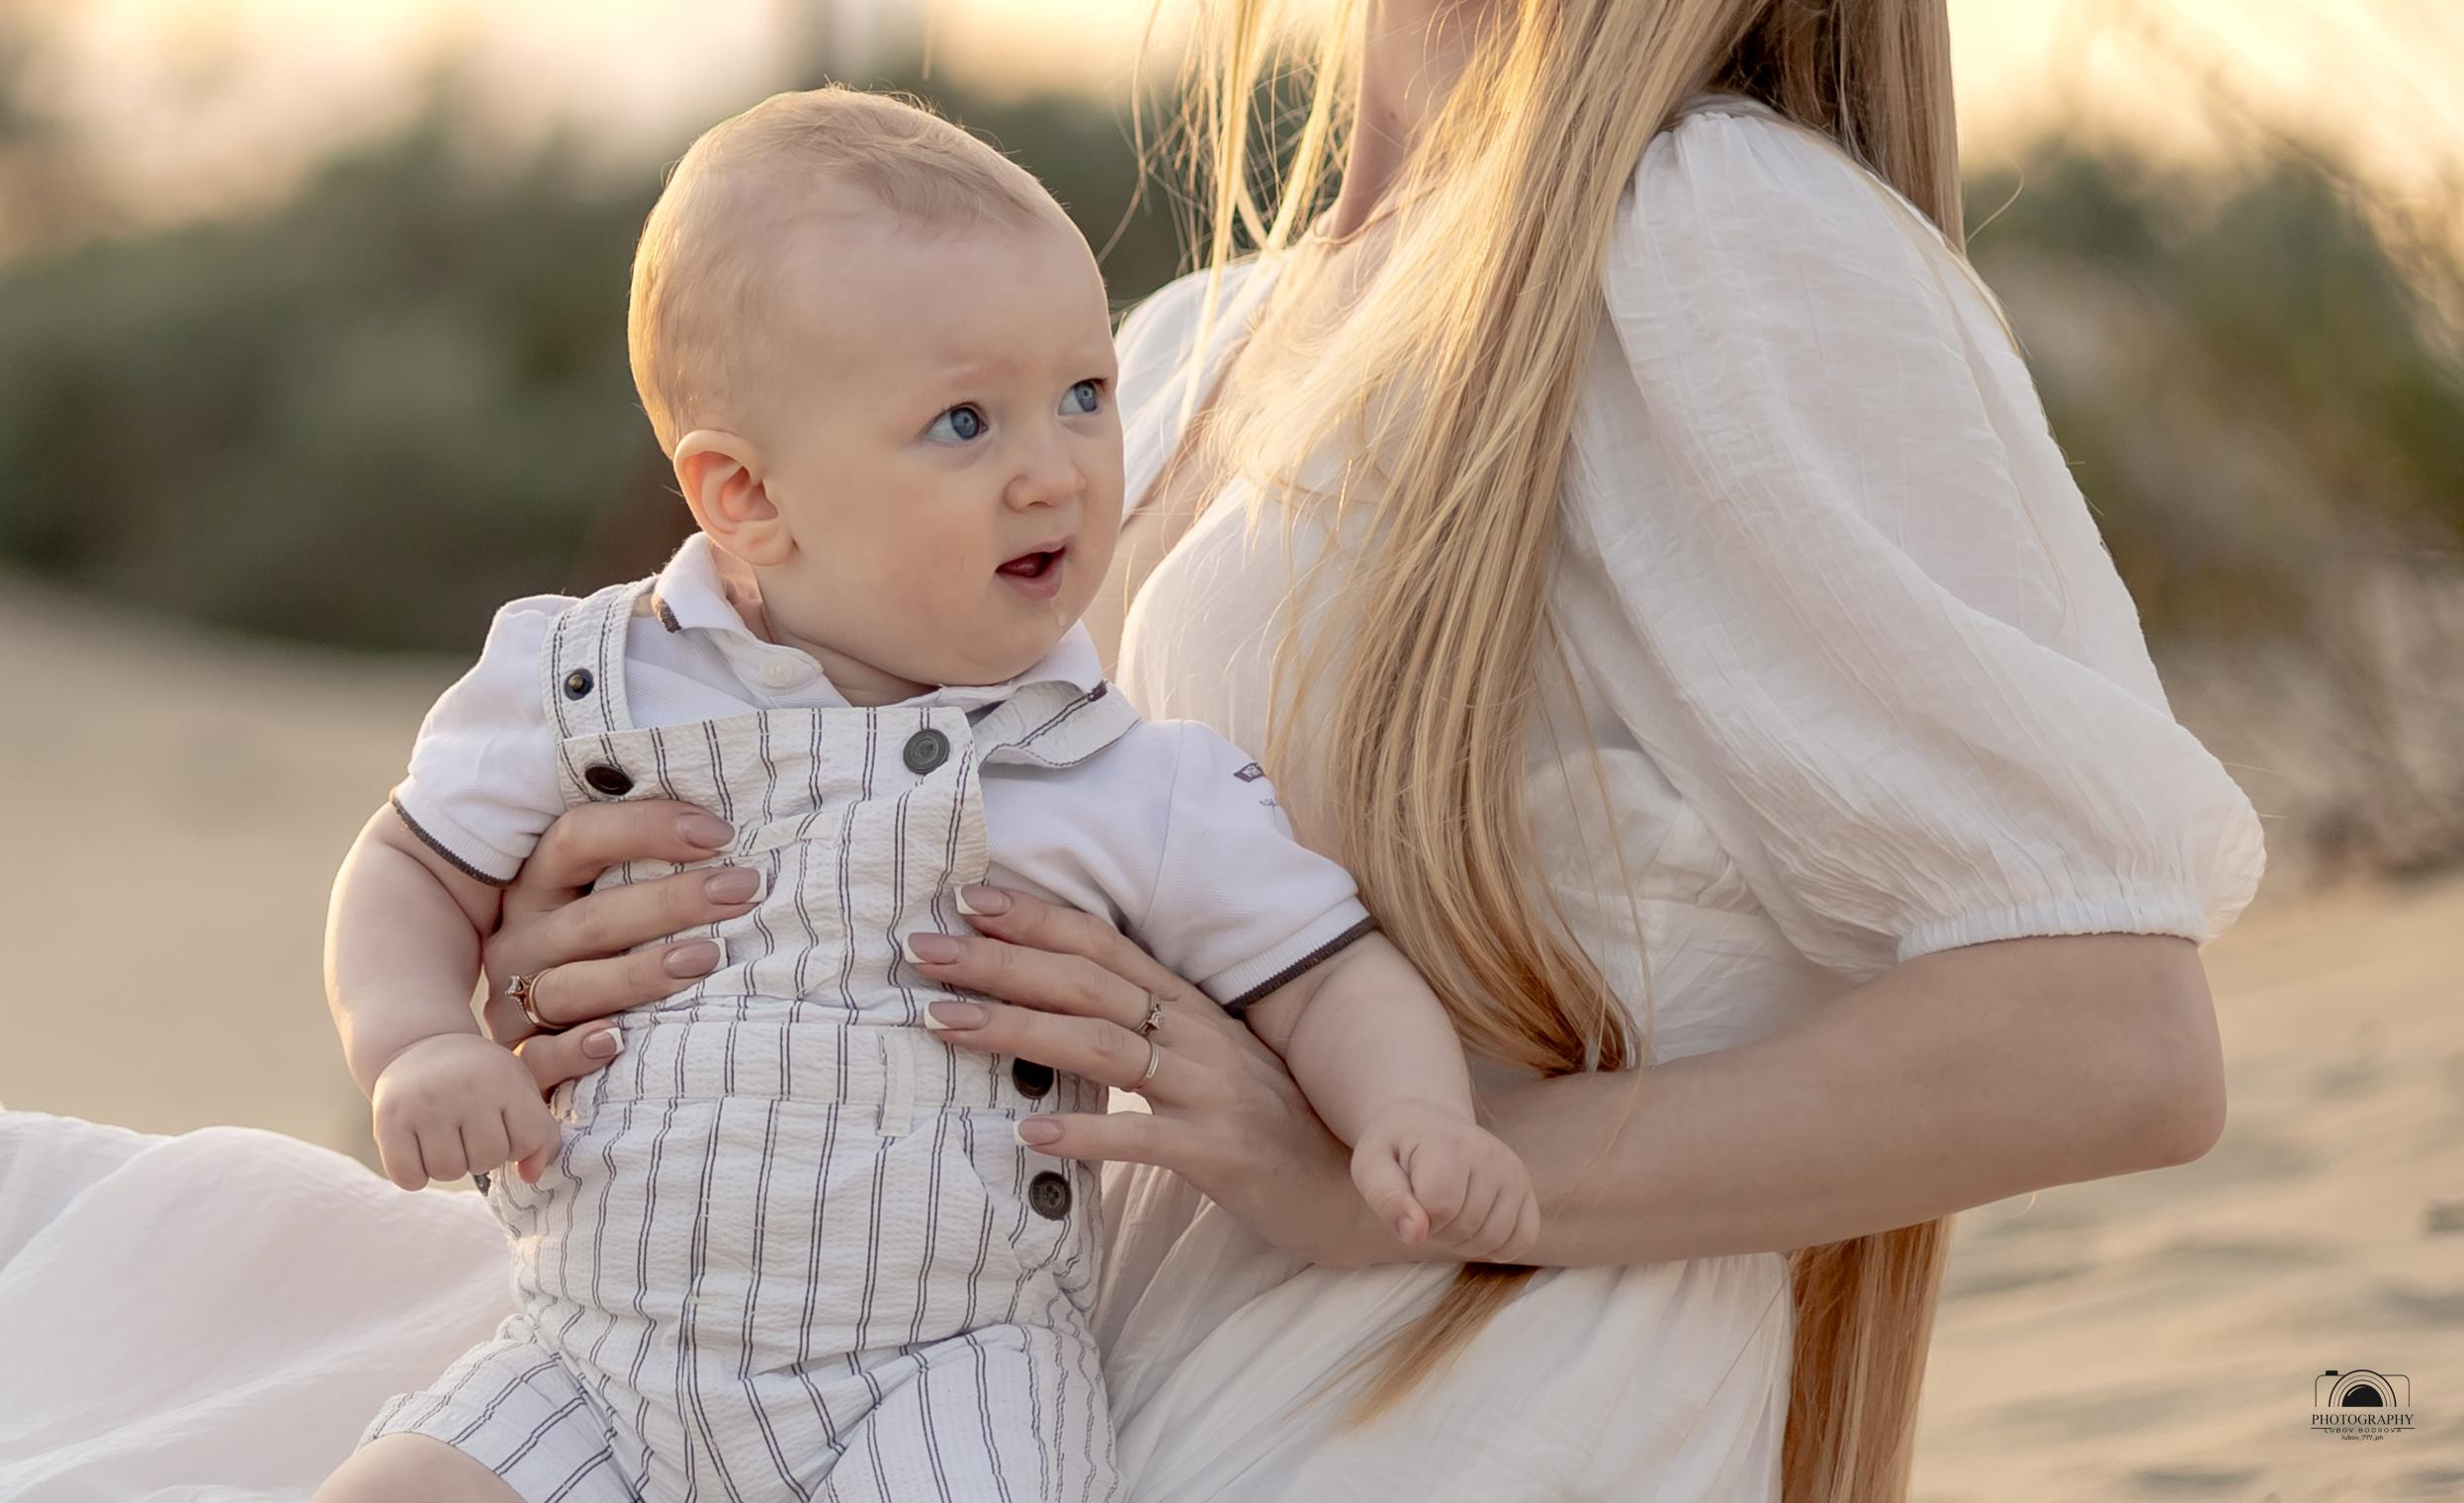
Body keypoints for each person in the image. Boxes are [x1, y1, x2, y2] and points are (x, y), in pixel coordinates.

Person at [0, 3, 2266, 1501]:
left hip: (1355, 1414)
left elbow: (2103, 1027)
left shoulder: (1708, 239)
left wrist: (1405, 1149)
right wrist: (560, 945)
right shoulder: (1178, 347)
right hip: (907, 1345)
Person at [314, 84, 1534, 1503]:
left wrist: (1415, 1116)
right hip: (597, 1353)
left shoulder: (1112, 770)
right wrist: (414, 1042)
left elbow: (1327, 976)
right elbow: (409, 867)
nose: (1054, 471)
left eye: (1084, 396)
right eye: (965, 421)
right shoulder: (592, 681)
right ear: (745, 498)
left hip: (942, 1373)